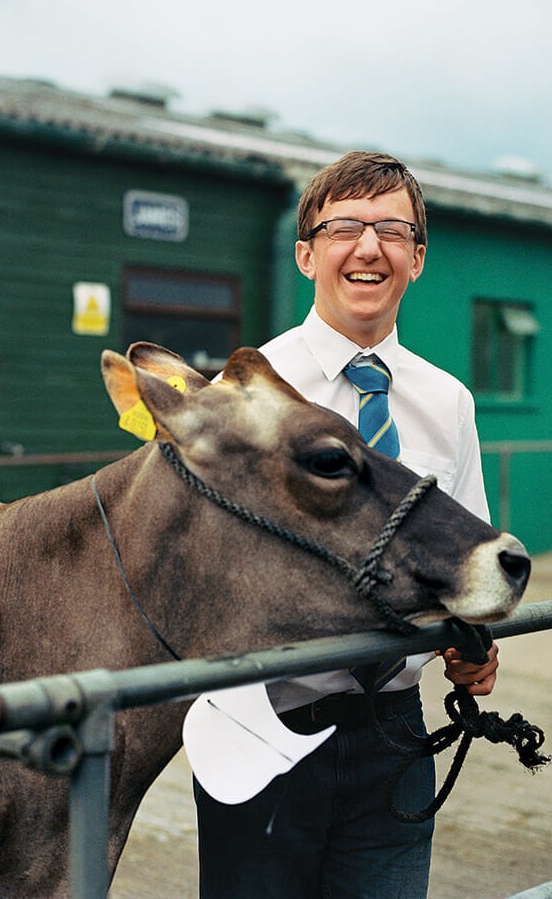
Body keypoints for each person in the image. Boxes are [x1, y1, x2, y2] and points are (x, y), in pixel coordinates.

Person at [194, 151, 500, 899]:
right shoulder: (244, 389)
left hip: (394, 733)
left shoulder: (449, 402)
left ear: (418, 258)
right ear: (306, 253)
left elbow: (468, 566)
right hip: (260, 725)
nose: (370, 247)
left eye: (393, 229)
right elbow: (204, 576)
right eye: (345, 228)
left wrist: (475, 642)